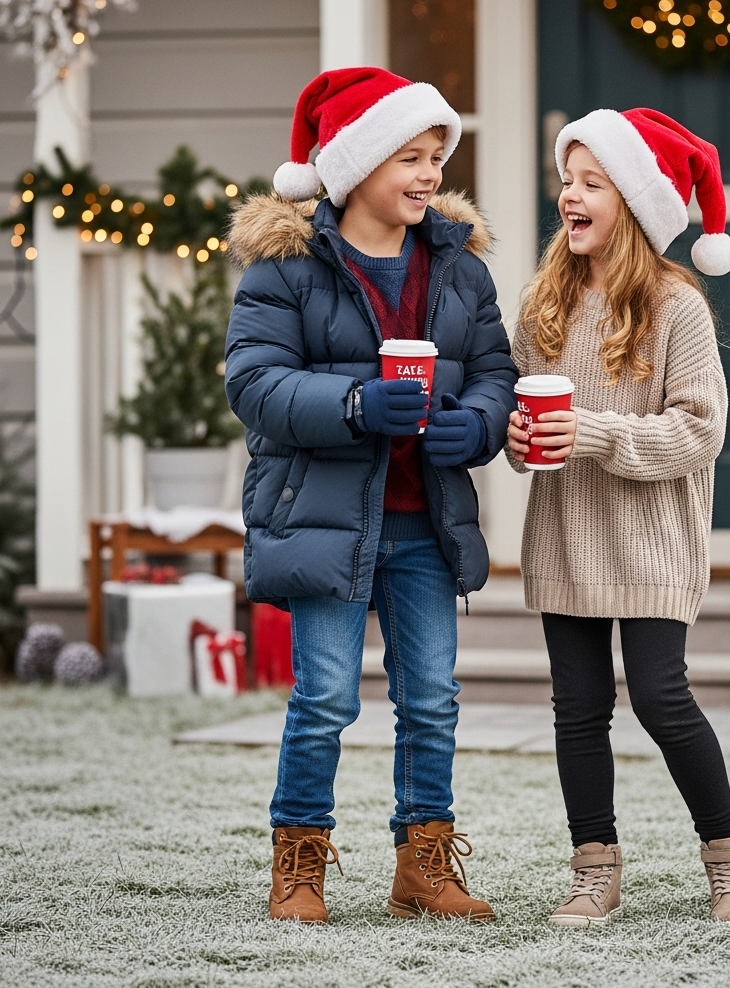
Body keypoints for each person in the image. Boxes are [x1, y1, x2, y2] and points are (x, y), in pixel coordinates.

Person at [225, 68, 517, 924]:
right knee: (325, 698)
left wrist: (479, 426)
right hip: (324, 521)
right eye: (410, 158)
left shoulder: (459, 270)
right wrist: (353, 405)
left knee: (432, 699)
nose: (430, 174)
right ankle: (299, 865)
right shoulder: (288, 270)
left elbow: (495, 373)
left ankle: (421, 866)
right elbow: (254, 382)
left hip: (424, 519)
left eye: (437, 156)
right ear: (355, 168)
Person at [506, 108, 730, 927]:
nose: (569, 197)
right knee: (577, 708)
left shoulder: (677, 307)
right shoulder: (541, 302)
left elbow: (699, 430)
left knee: (661, 698)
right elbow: (522, 431)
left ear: (636, 204)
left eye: (592, 183)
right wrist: (518, 439)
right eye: (566, 181)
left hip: (653, 541)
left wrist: (592, 430)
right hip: (564, 538)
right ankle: (595, 871)